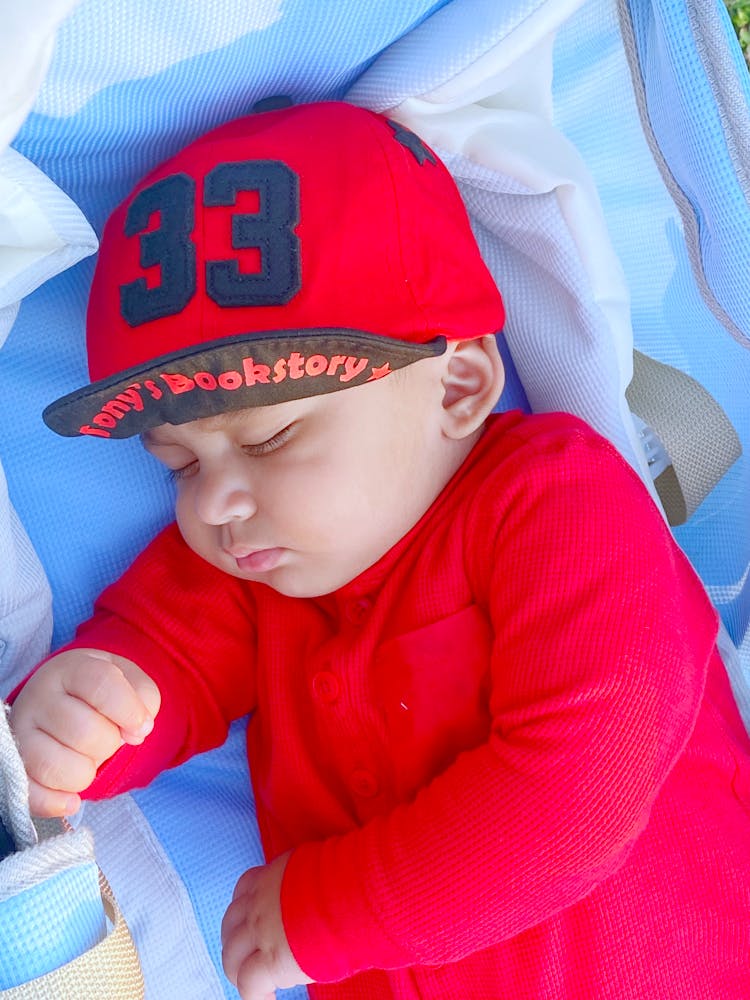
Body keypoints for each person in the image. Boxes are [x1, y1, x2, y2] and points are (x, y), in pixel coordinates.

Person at [8, 100, 750, 1000]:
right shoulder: (251, 566)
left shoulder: (556, 500)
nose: (215, 501)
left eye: (271, 439)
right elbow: (159, 658)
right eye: (175, 464)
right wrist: (78, 722)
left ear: (460, 386)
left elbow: (588, 777)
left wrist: (333, 912)